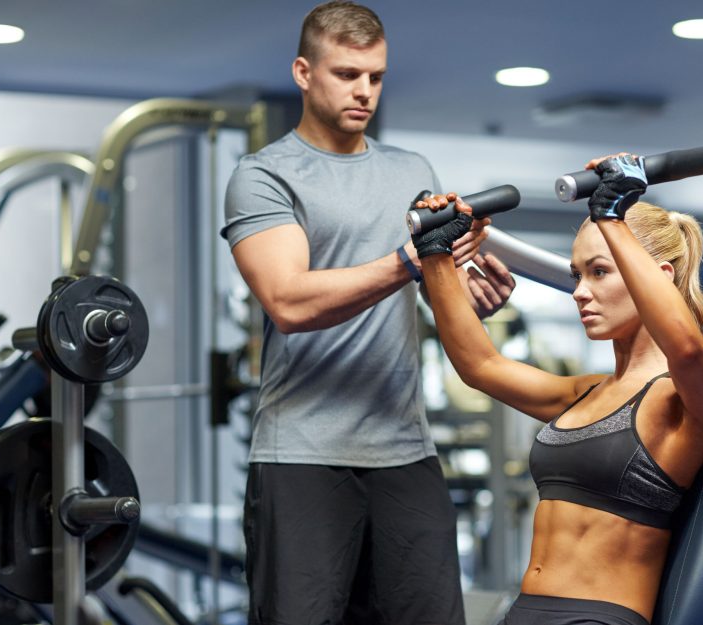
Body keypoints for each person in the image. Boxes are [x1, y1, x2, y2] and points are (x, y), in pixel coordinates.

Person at [220, 2, 516, 624]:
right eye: (347, 74)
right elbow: (289, 300)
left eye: (376, 77)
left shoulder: (411, 172)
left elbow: (439, 291)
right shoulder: (265, 176)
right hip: (302, 455)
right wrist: (408, 261)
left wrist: (469, 295)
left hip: (407, 453)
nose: (364, 91)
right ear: (304, 72)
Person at [413, 154, 703, 625]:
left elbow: (688, 352)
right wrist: (435, 254)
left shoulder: (693, 403)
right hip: (524, 611)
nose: (579, 292)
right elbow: (480, 365)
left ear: (660, 278)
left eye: (599, 272)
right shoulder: (584, 394)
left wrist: (611, 217)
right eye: (577, 275)